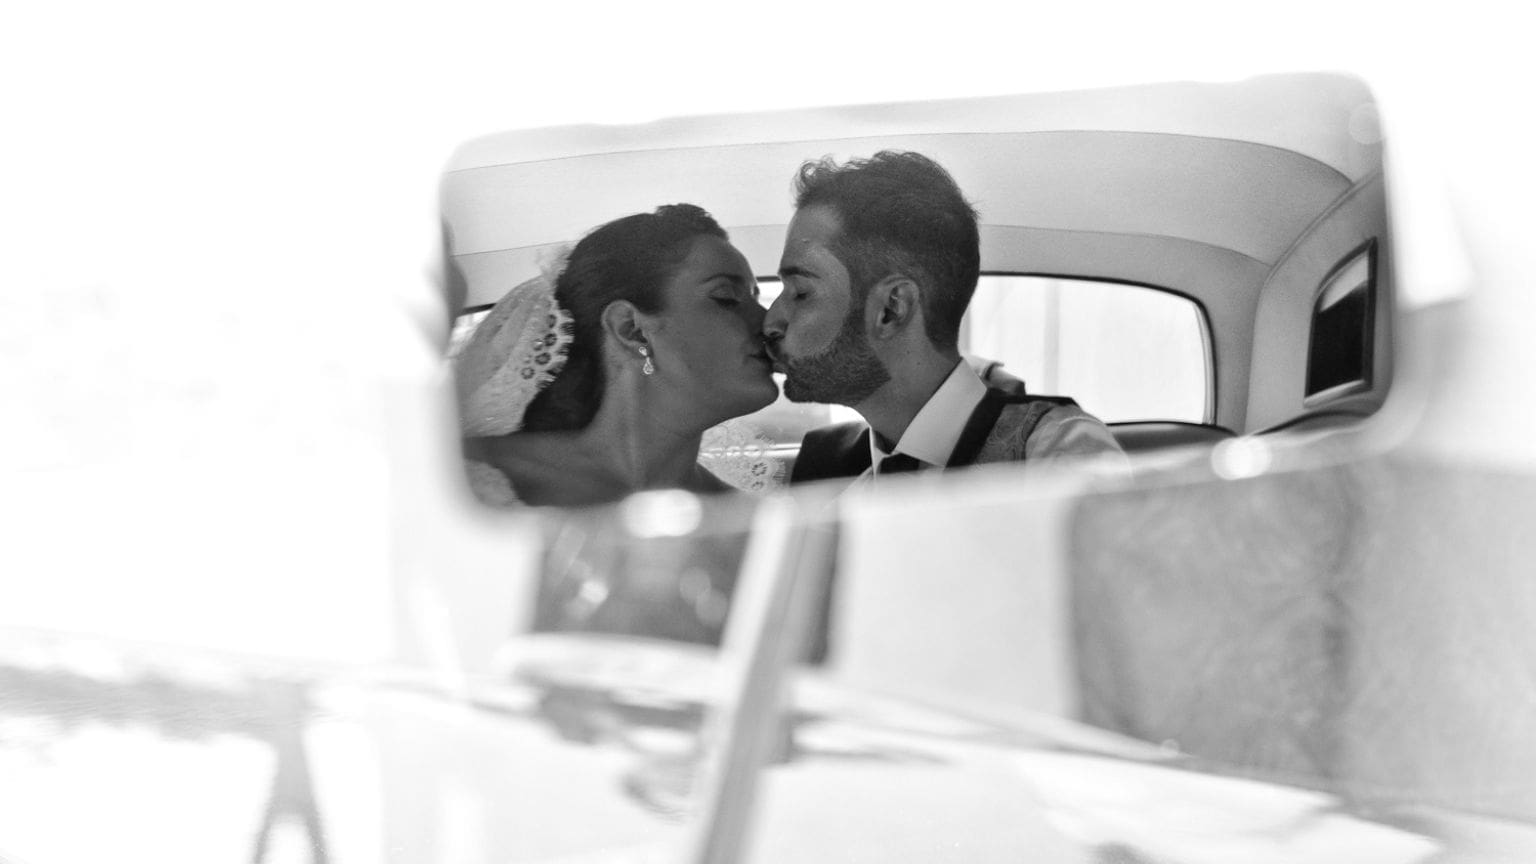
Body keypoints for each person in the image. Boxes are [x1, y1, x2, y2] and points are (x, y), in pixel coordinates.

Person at [763, 151, 1126, 486]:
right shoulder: (832, 480)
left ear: (892, 308)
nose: (771, 322)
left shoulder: (1055, 453)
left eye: (800, 292)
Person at [455, 204, 780, 507]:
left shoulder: (746, 518)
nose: (767, 322)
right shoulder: (460, 479)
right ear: (631, 329)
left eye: (756, 297)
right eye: (726, 297)